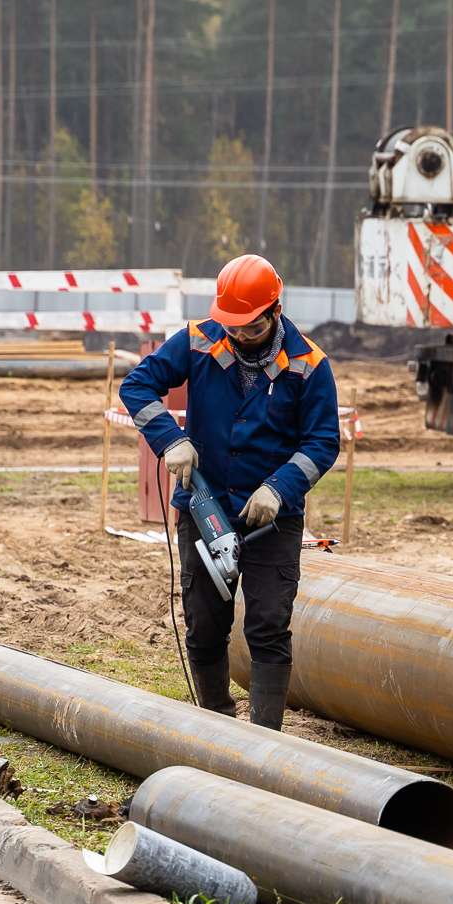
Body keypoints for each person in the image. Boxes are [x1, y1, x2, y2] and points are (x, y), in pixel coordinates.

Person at [118, 254, 341, 730]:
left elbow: (322, 442)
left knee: (268, 626)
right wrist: (169, 439)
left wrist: (279, 489)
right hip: (204, 509)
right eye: (232, 326)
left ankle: (264, 740)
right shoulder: (199, 341)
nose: (239, 336)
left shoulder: (309, 365)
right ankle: (216, 725)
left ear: (275, 311)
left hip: (272, 520)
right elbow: (136, 386)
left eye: (251, 327)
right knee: (204, 624)